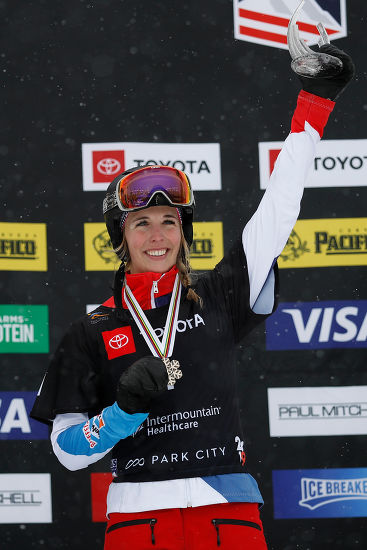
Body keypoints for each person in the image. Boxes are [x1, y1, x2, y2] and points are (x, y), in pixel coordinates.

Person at [31, 43, 354, 549]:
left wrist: (314, 104)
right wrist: (123, 412)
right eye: (141, 223)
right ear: (119, 239)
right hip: (139, 525)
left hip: (228, 518)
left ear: (183, 232)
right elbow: (68, 451)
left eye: (169, 222)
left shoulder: (218, 295)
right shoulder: (88, 332)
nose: (157, 235)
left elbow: (280, 208)